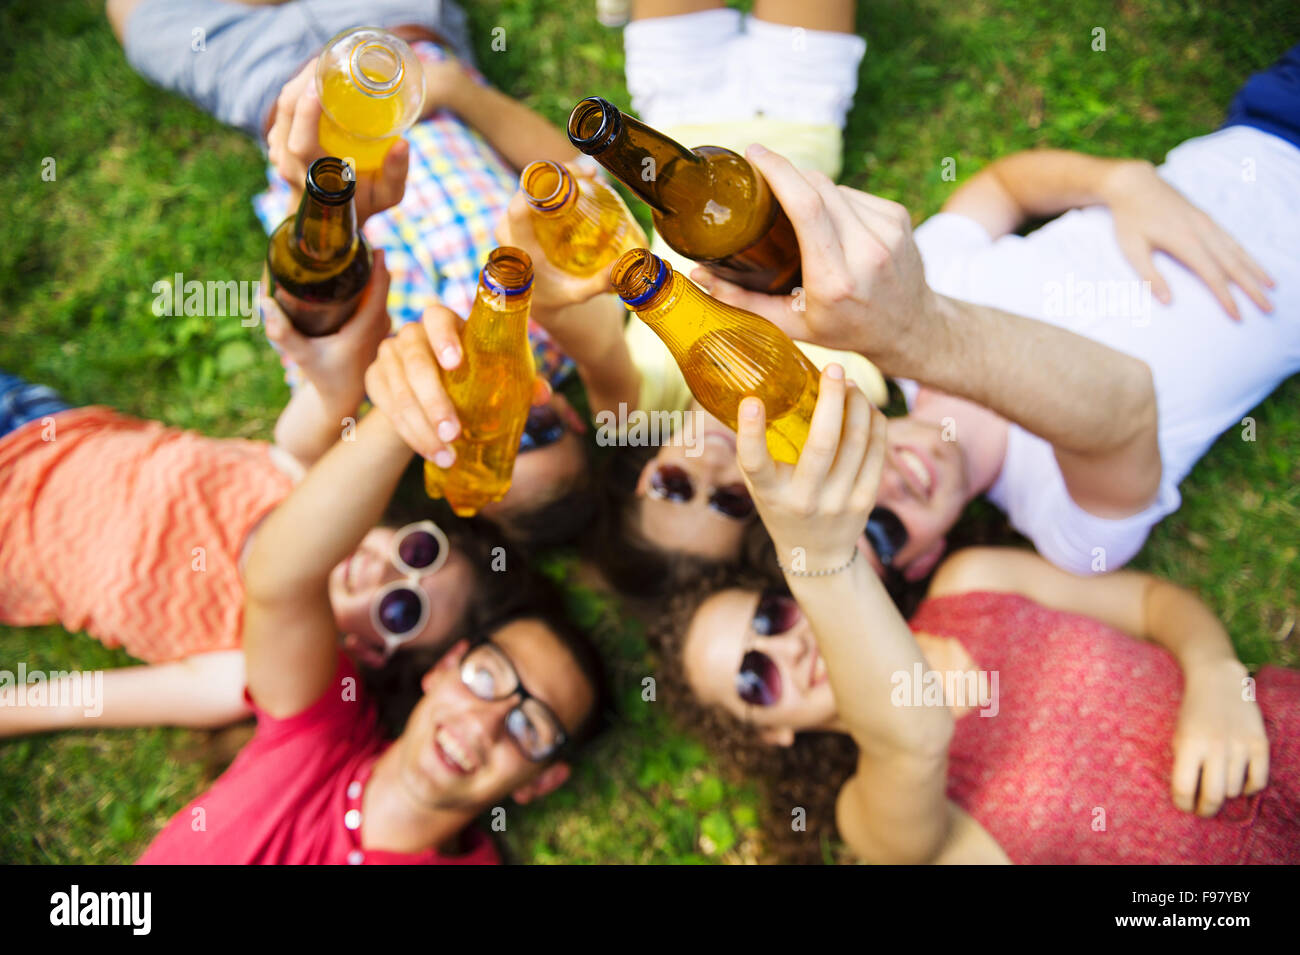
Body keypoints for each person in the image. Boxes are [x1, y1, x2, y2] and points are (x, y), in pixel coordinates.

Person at [691, 43, 1300, 580]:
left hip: (1270, 124)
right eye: (882, 531)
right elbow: (1126, 404)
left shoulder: (915, 282)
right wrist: (913, 335)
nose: (891, 488)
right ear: (925, 559)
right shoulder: (1069, 533)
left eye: (844, 484)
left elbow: (1005, 188)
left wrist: (1120, 183)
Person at [653, 367, 1299, 864]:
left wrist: (1218, 673)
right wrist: (819, 561)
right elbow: (914, 737)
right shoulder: (870, 814)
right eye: (754, 679)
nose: (786, 651)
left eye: (770, 618)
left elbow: (1152, 603)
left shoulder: (972, 580)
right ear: (771, 733)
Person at [107, 0, 597, 547]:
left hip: (277, 90)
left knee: (145, 26)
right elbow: (576, 174)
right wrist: (457, 89)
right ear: (571, 417)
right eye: (535, 431)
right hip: (400, 43)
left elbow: (296, 444)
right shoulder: (571, 327)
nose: (496, 413)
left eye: (480, 444)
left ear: (441, 459)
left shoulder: (380, 392)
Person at [138, 348, 606, 864]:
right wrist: (404, 414)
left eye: (530, 727)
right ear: (444, 668)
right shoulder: (323, 729)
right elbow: (281, 578)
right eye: (487, 677)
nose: (484, 723)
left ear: (540, 781)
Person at [0, 263, 512, 735]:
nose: (385, 572)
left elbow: (75, 701)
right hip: (37, 422)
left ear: (371, 652)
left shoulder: (241, 665)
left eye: (401, 609)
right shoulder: (304, 478)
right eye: (417, 552)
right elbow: (331, 394)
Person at [488, 0, 888, 596]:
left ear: (643, 471)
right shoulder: (829, 403)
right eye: (729, 500)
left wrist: (548, 300)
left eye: (673, 485)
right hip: (799, 108)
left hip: (675, 119)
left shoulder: (645, 408)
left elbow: (597, 349)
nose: (708, 468)